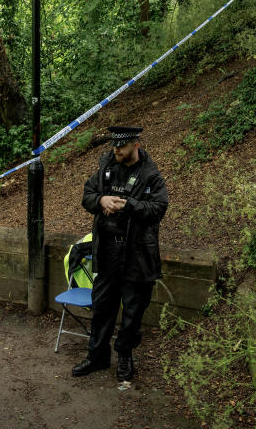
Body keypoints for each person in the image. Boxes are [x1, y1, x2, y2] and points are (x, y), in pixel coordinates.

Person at [72, 125, 168, 381]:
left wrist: (129, 205)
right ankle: (97, 356)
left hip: (136, 253)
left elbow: (159, 208)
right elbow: (87, 194)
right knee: (102, 305)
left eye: (121, 146)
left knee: (132, 311)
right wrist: (101, 201)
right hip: (108, 251)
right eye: (114, 145)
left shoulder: (151, 175)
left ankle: (124, 356)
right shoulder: (106, 167)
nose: (116, 150)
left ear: (135, 145)